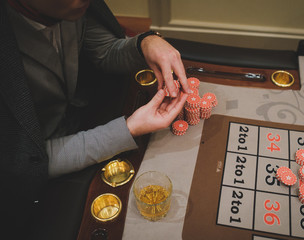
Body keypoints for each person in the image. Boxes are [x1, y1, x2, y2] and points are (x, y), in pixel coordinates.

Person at [0, 0, 189, 238]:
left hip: (83, 122)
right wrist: (128, 129)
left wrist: (145, 43)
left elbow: (105, 52)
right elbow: (26, 163)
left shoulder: (70, 8)